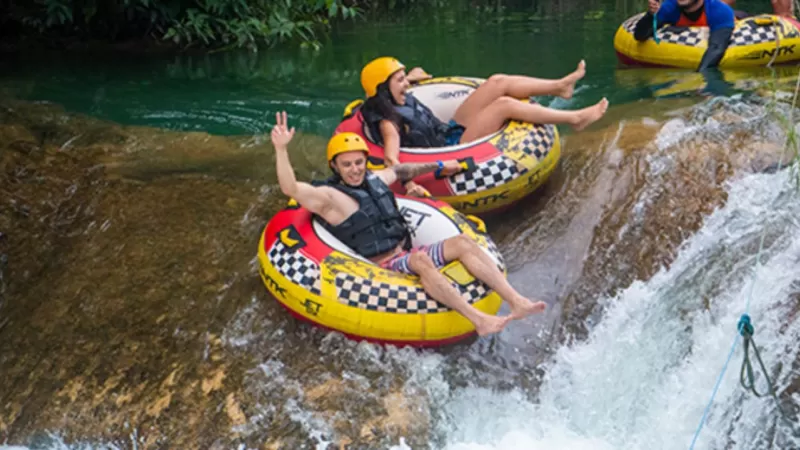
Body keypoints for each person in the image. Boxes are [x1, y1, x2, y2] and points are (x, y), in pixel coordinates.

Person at [270, 111, 547, 336]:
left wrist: (439, 166)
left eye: (358, 162)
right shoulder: (329, 198)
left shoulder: (375, 179)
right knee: (420, 261)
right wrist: (281, 149)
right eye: (347, 165)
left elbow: (402, 170)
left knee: (463, 242)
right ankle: (479, 320)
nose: (355, 170)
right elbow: (290, 188)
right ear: (335, 167)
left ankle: (516, 301)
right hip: (381, 266)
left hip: (404, 251)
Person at [358, 57, 609, 197]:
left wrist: (412, 76)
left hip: (446, 132)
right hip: (453, 148)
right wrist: (410, 184)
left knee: (497, 82)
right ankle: (575, 119)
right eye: (400, 80)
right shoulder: (389, 122)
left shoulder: (392, 96)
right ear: (383, 89)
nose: (406, 84)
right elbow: (391, 159)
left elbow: (398, 88)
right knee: (503, 105)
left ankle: (560, 87)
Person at [634, 0, 736, 71]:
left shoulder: (719, 10)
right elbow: (640, 36)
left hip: (723, 28)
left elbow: (717, 47)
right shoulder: (670, 7)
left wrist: (698, 78)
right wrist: (651, 15)